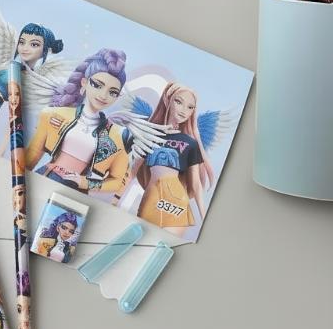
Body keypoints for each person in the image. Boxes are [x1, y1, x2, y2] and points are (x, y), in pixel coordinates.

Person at [25, 48, 129, 193]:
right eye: (97, 85)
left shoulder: (117, 135)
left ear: (118, 96)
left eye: (113, 92)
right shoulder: (54, 114)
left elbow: (117, 181)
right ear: (84, 82)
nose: (103, 95)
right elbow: (30, 158)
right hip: (46, 178)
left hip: (77, 191)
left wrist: (84, 182)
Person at [134, 83, 214, 234]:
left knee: (167, 243)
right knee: (140, 235)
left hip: (177, 205)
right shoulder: (151, 135)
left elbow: (196, 184)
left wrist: (204, 216)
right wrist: (116, 198)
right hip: (151, 200)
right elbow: (133, 170)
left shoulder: (190, 143)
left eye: (190, 107)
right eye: (179, 102)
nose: (184, 110)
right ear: (167, 100)